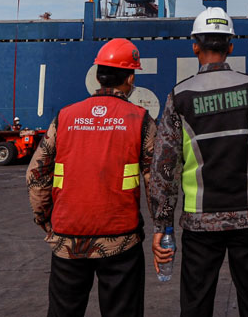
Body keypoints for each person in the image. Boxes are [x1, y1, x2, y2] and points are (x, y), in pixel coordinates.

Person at [150, 7, 248, 317]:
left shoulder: (180, 96)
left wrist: (162, 223)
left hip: (200, 222)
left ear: (195, 46)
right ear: (230, 47)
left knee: (195, 306)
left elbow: (165, 168)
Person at [28, 38, 156, 317]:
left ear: (97, 76)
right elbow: (156, 182)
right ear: (130, 78)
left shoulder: (65, 116)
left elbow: (36, 173)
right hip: (121, 239)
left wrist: (45, 219)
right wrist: (162, 228)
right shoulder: (140, 119)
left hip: (68, 236)